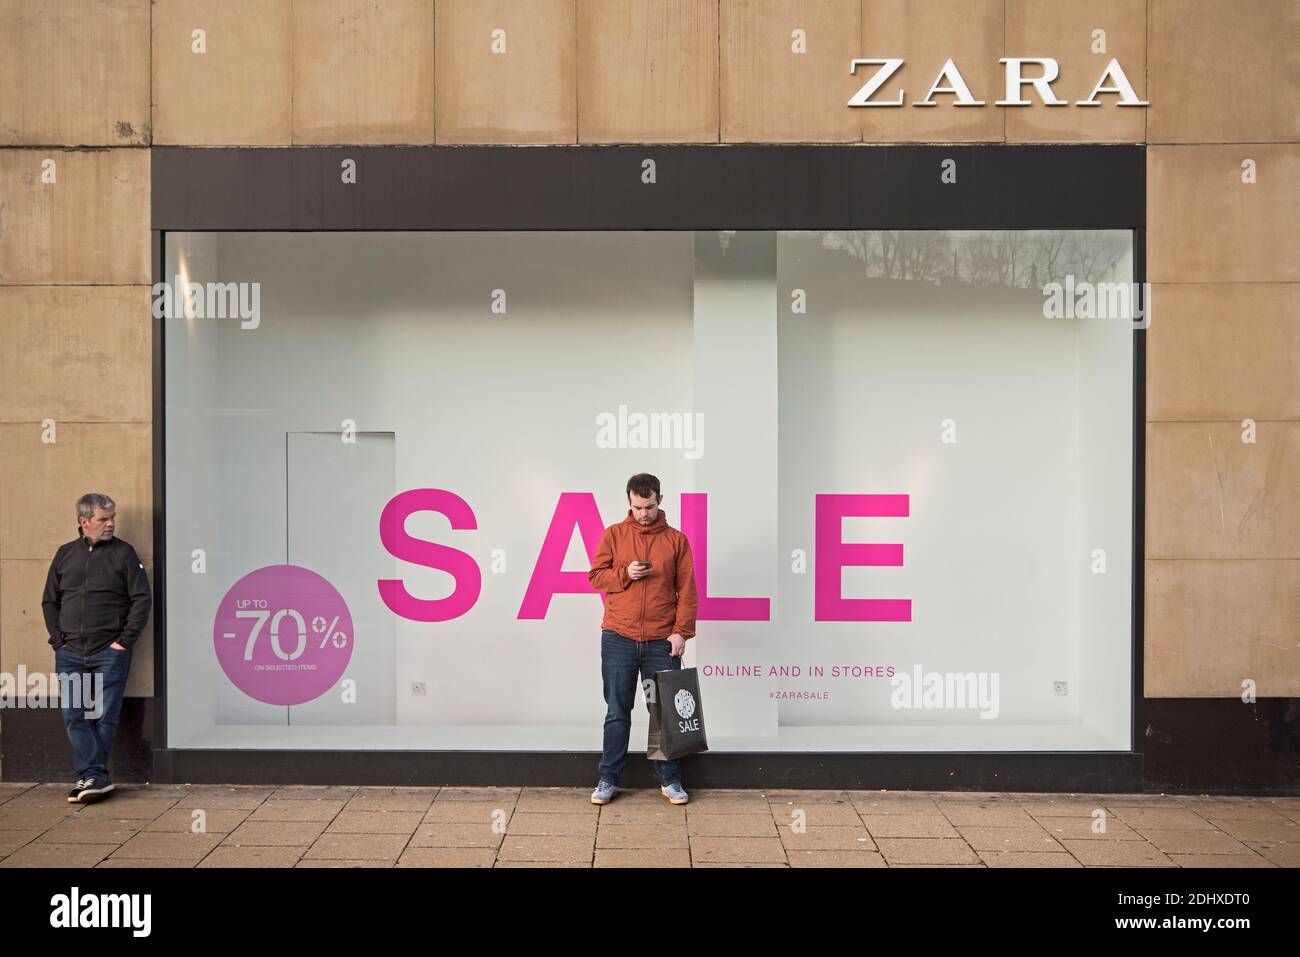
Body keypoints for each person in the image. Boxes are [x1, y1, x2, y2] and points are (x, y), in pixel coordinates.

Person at [587, 473, 698, 805]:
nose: (643, 513)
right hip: (618, 638)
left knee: (663, 714)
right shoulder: (614, 535)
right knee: (617, 711)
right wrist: (625, 573)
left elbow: (688, 592)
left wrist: (682, 633)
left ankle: (670, 781)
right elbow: (595, 577)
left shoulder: (677, 541)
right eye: (637, 507)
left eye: (649, 506)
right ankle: (609, 779)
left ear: (659, 500)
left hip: (661, 642)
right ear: (629, 502)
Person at [42, 493, 152, 804]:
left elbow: (141, 598)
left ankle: (90, 776)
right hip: (70, 652)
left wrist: (124, 641)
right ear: (84, 522)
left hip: (110, 651)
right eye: (104, 519)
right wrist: (58, 641)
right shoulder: (65, 554)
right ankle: (96, 776)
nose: (111, 524)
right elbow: (50, 600)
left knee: (105, 715)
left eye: (112, 517)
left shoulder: (124, 554)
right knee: (75, 714)